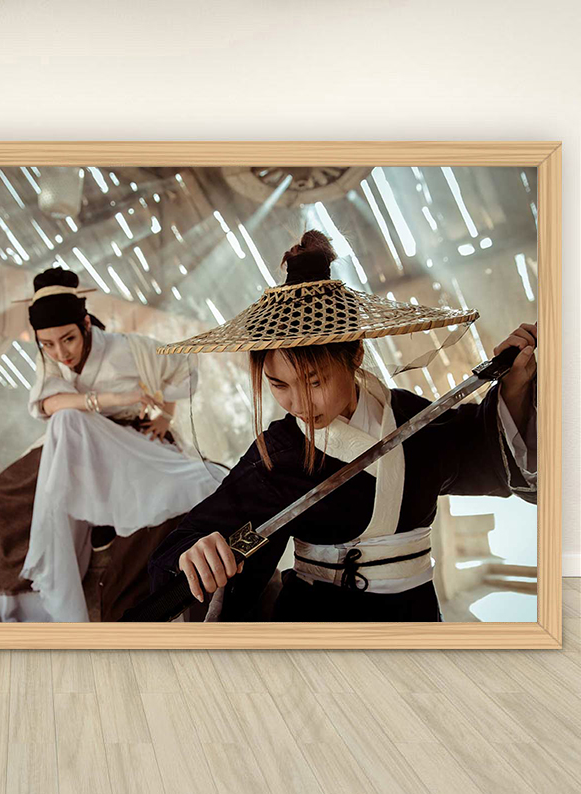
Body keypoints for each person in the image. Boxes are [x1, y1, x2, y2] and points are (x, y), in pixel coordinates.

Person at [148, 230, 537, 622]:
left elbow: (487, 448)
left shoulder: (411, 417)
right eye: (279, 385)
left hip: (415, 613)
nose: (299, 404)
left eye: (315, 382)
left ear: (356, 353)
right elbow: (195, 534)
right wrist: (196, 553)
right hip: (317, 616)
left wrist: (516, 388)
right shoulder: (280, 452)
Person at [0, 268, 226, 622]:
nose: (60, 353)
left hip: (130, 441)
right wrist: (114, 398)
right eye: (47, 344)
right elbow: (50, 404)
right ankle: (12, 610)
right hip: (75, 442)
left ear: (85, 323)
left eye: (68, 339)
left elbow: (182, 367)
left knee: (194, 488)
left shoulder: (130, 348)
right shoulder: (50, 359)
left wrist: (165, 417)